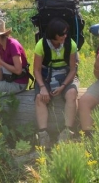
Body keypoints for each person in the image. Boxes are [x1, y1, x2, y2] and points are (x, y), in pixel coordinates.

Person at [34, 18, 79, 147]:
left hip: (66, 75)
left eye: (66, 33)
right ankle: (43, 134)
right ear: (53, 34)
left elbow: (72, 69)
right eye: (62, 34)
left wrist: (64, 85)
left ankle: (67, 131)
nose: (65, 36)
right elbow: (36, 70)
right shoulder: (41, 45)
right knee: (39, 97)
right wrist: (42, 87)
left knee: (71, 94)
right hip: (46, 75)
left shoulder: (70, 44)